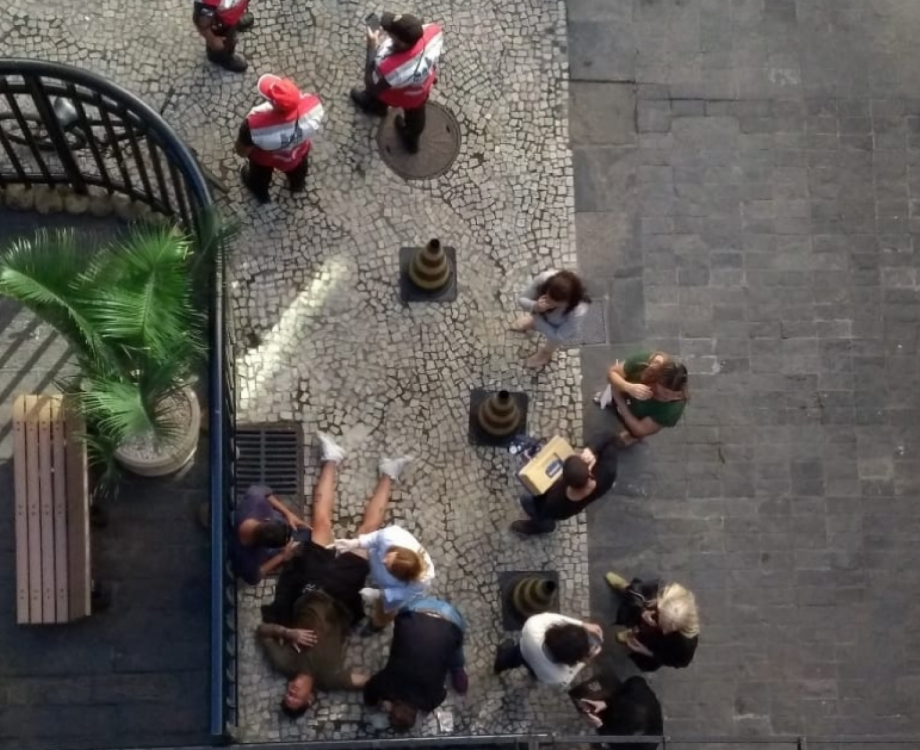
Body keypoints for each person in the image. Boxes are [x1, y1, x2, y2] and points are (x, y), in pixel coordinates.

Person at [256, 432, 413, 718]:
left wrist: (287, 632)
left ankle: (332, 458)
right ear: (309, 700)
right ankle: (389, 474)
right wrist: (393, 700)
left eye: (287, 696)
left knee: (320, 521)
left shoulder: (285, 663)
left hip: (310, 587)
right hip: (341, 596)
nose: (291, 694)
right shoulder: (329, 679)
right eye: (296, 700)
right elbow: (365, 681)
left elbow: (262, 632)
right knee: (368, 534)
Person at [363, 596, 469, 731]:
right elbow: (369, 691)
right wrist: (376, 713)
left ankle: (457, 666)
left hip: (450, 618)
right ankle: (457, 667)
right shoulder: (387, 685)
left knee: (452, 645)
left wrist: (424, 711)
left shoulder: (429, 699)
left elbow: (442, 695)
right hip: (414, 611)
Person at [350, 12, 444, 153]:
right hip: (421, 89)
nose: (386, 32)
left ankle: (376, 107)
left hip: (399, 92)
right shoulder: (434, 31)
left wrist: (371, 46)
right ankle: (412, 140)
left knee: (377, 95)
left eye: (390, 32)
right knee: (416, 115)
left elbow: (372, 83)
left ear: (400, 41)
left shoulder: (391, 68)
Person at [235, 75, 325, 205]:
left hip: (265, 158)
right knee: (298, 168)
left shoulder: (254, 126)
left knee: (259, 176)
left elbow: (242, 151)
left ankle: (260, 193)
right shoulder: (314, 106)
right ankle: (297, 184)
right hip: (297, 151)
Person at [511, 432, 618, 536]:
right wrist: (591, 449)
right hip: (570, 508)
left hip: (555, 511)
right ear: (588, 470)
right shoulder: (608, 473)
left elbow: (539, 500)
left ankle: (543, 526)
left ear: (563, 478)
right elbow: (610, 437)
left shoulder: (555, 501)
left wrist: (531, 470)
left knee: (526, 499)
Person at [334, 524, 433, 630]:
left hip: (390, 587)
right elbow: (375, 538)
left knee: (386, 609)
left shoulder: (420, 581)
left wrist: (379, 594)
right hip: (377, 571)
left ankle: (377, 625)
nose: (383, 560)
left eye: (388, 567)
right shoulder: (391, 536)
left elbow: (402, 593)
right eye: (388, 555)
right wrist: (356, 543)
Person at [605, 573, 699, 671]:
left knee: (641, 635)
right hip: (647, 613)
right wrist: (643, 611)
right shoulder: (661, 591)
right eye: (658, 617)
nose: (664, 630)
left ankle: (633, 634)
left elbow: (679, 662)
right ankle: (624, 587)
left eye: (667, 628)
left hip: (653, 641)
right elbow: (641, 592)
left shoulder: (685, 645)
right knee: (633, 598)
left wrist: (648, 652)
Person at [598, 351, 689, 448]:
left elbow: (641, 429)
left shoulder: (673, 408)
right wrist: (627, 387)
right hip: (628, 394)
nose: (668, 398)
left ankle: (632, 436)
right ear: (657, 380)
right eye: (665, 392)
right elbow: (612, 373)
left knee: (635, 431)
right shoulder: (644, 362)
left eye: (675, 395)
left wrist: (620, 402)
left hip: (639, 414)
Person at [493, 612, 603, 689]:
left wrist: (582, 624)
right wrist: (585, 661)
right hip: (540, 671)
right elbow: (568, 676)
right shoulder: (557, 676)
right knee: (534, 673)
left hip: (523, 650)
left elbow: (554, 618)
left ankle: (500, 665)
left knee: (511, 656)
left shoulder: (533, 626)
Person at [229, 484, 307, 585]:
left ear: (266, 520)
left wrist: (288, 514)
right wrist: (281, 556)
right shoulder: (247, 560)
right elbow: (255, 578)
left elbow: (266, 492)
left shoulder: (255, 500)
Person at [512, 270, 591, 368]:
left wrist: (537, 315)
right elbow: (521, 300)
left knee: (553, 343)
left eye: (555, 303)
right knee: (538, 320)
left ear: (567, 302)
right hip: (540, 315)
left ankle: (546, 353)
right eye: (547, 298)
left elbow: (558, 336)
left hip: (557, 326)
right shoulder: (545, 279)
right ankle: (532, 322)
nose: (548, 304)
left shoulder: (578, 309)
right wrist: (535, 306)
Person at [569, 670, 663, 750]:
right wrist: (606, 703)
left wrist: (599, 725)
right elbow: (636, 680)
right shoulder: (639, 692)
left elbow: (611, 740)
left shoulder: (621, 742)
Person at [192, 0, 254, 73]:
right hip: (220, 23)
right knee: (224, 43)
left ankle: (235, 19)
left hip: (232, 9)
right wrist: (212, 39)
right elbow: (201, 21)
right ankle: (220, 57)